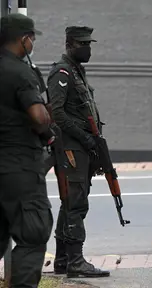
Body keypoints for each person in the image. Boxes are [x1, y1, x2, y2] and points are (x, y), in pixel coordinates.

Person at [47, 26, 109, 278]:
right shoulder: (61, 72)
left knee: (70, 202)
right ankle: (75, 261)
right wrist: (84, 137)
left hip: (83, 147)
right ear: (70, 44)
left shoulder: (76, 71)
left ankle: (63, 260)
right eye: (83, 44)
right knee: (75, 203)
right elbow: (57, 113)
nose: (88, 49)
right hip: (71, 147)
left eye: (89, 44)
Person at [0, 13, 54, 287]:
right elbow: (38, 117)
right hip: (19, 166)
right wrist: (47, 128)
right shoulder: (21, 71)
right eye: (31, 39)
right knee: (32, 234)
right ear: (24, 39)